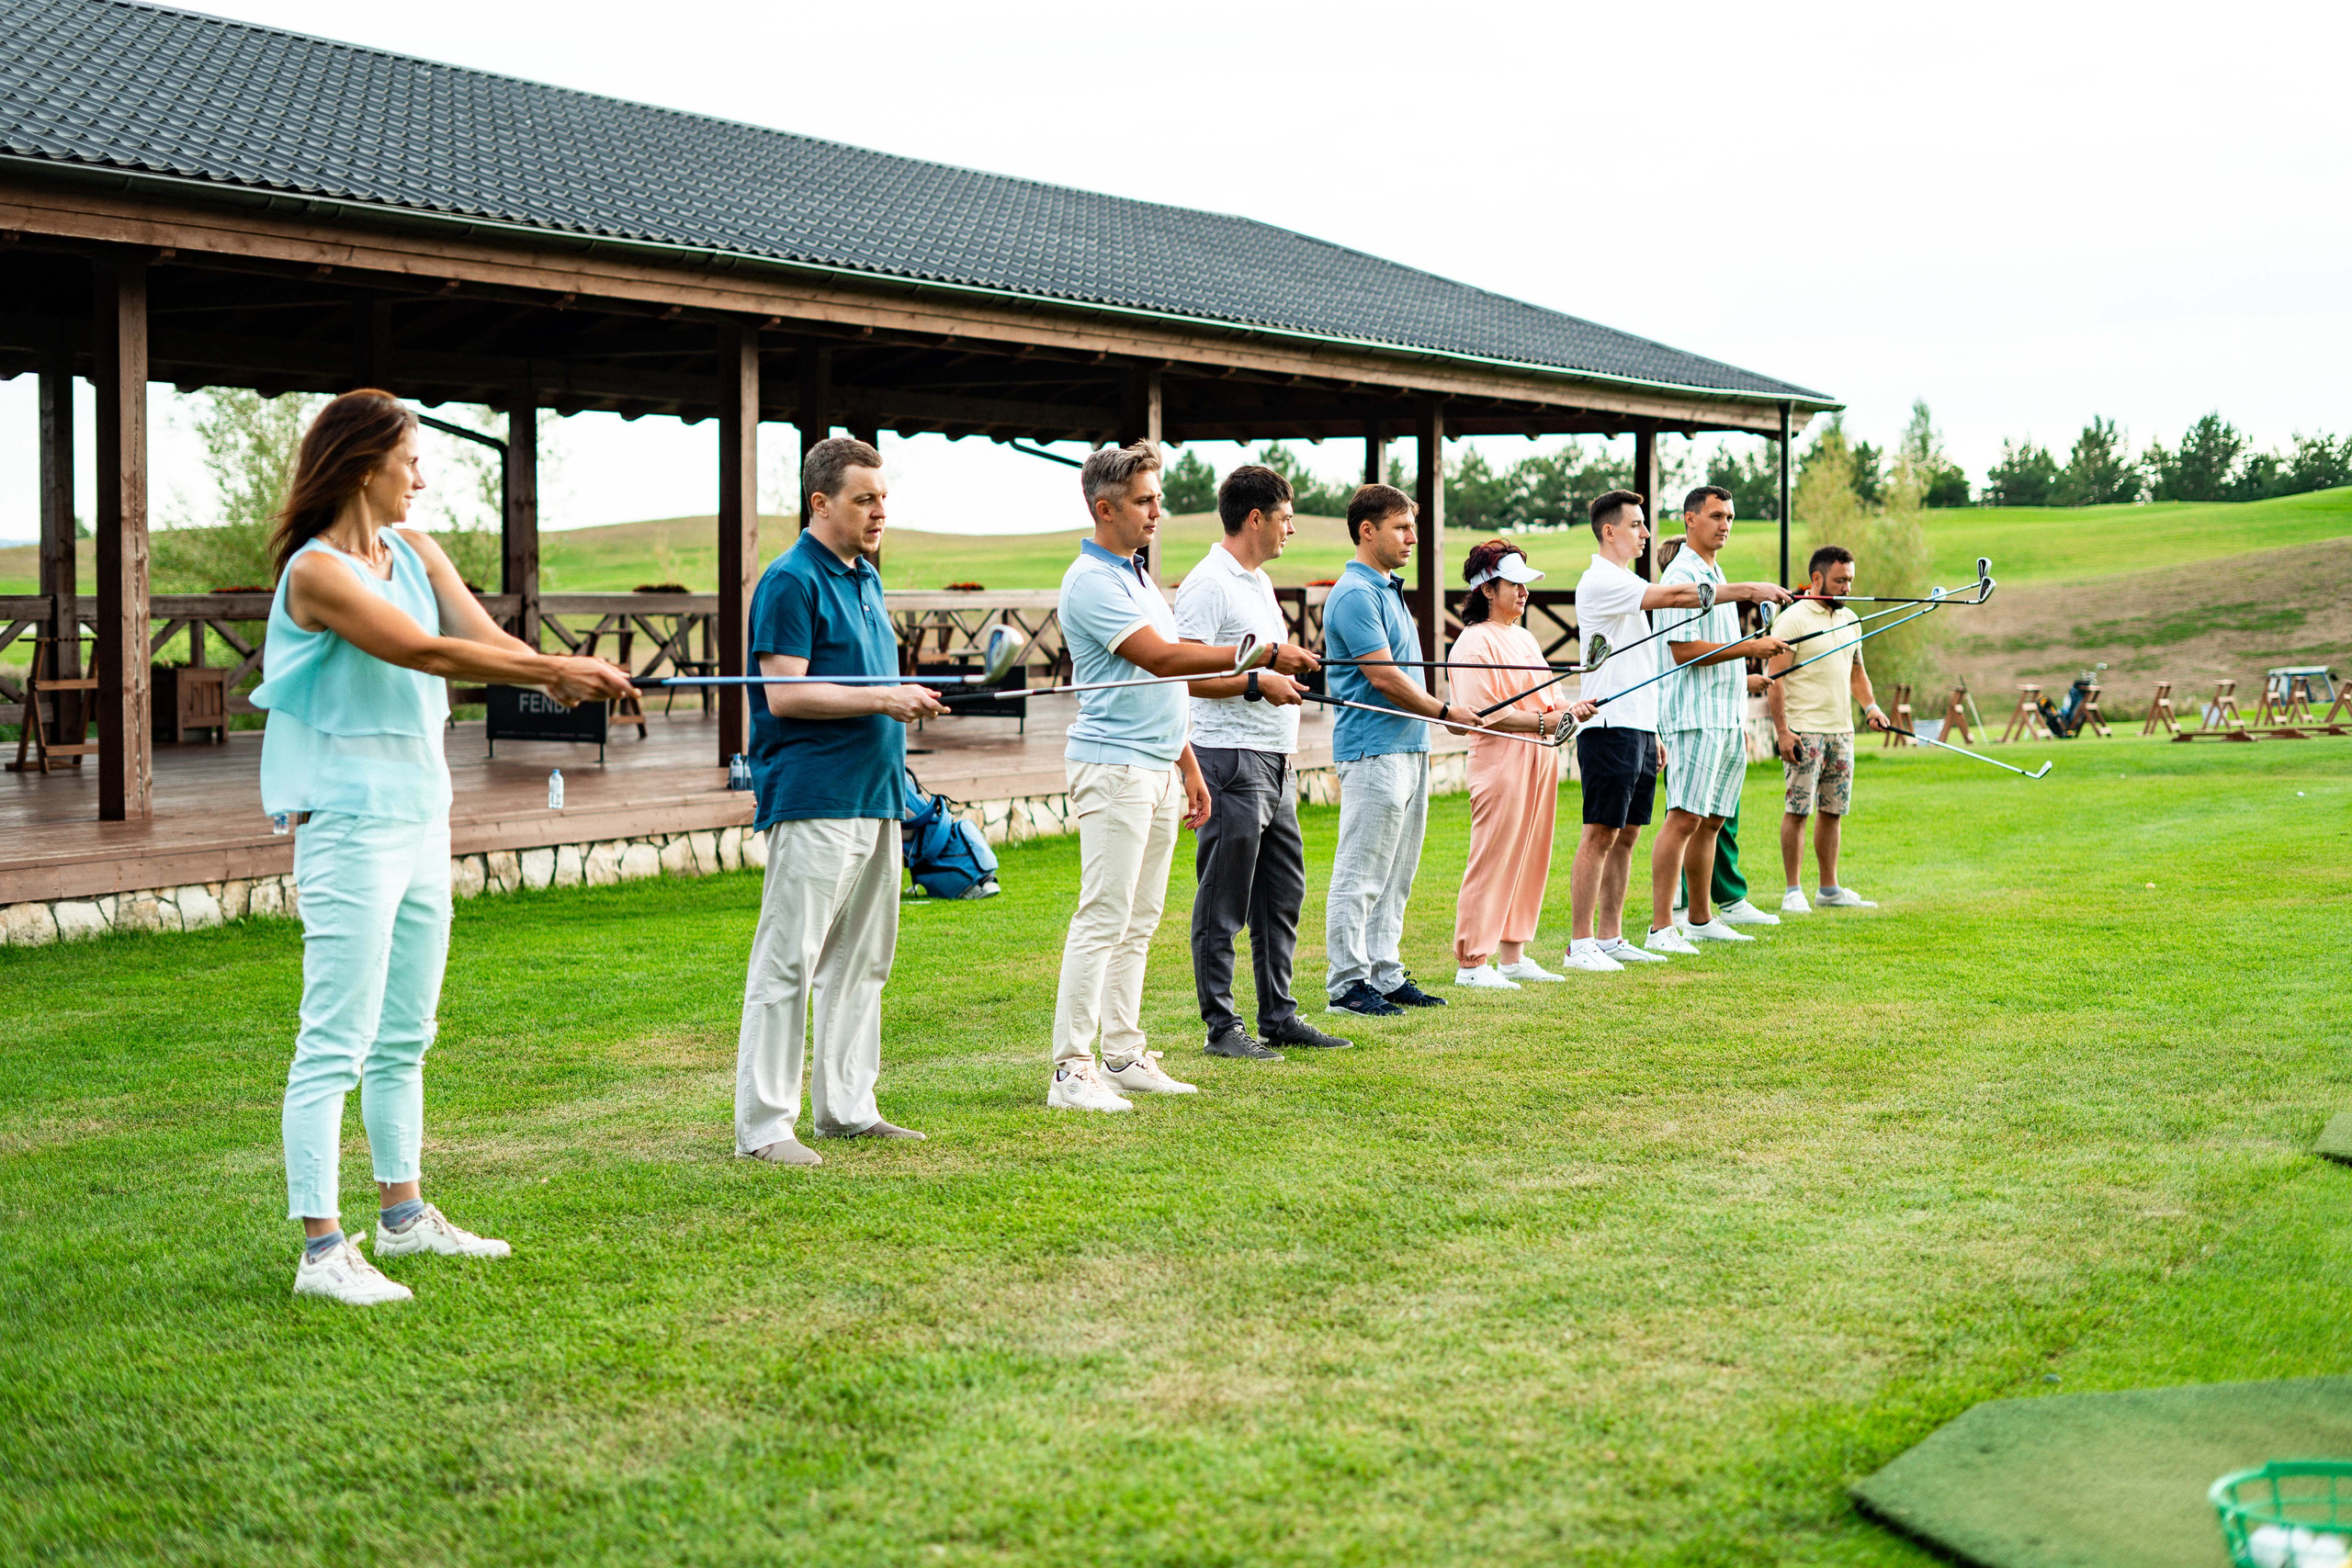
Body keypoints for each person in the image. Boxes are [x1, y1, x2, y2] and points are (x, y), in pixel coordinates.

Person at [254, 389, 635, 1305]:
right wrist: (554, 673)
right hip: (349, 820)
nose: (421, 476)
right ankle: (320, 1252)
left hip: (424, 810)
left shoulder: (416, 551)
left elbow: (481, 639)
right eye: (410, 459)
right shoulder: (316, 574)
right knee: (333, 1039)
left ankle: (403, 1215)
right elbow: (420, 652)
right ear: (360, 461)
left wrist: (552, 670)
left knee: (406, 1032)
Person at [1049, 444, 1319, 1111]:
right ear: (1103, 507)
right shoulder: (1091, 581)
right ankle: (1071, 1069)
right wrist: (1260, 656)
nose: (1157, 512)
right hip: (1113, 766)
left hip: (1156, 764)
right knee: (1102, 917)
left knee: (1139, 921)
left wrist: (1189, 768)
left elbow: (1169, 687)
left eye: (1158, 499)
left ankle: (1121, 1053)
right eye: (1145, 501)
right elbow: (1166, 658)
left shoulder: (1138, 576)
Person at [736, 437, 948, 1168]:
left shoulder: (865, 578)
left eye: (883, 497)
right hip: (815, 798)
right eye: (864, 498)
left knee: (862, 963)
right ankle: (765, 1126)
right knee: (788, 963)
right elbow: (784, 692)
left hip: (878, 797)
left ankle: (847, 1110)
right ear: (820, 502)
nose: (879, 510)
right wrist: (887, 696)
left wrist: (897, 705)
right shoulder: (790, 581)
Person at [1566, 490, 1790, 974]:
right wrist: (1752, 590)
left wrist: (1654, 731)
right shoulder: (1600, 579)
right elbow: (1676, 597)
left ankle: (1609, 937)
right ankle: (1581, 941)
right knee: (1599, 833)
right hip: (1609, 725)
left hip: (1641, 724)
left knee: (1626, 834)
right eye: (1636, 526)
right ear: (1610, 531)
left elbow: (1647, 656)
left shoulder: (1624, 578)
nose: (1646, 534)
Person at [1174, 464, 1354, 1060]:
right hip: (1229, 759)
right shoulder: (1208, 583)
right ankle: (1221, 1027)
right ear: (1256, 518)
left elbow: (1255, 659)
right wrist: (1258, 683)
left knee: (1282, 892)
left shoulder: (1257, 581)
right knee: (1223, 898)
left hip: (1276, 760)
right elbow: (1189, 675)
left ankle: (1278, 1014)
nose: (1292, 530)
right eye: (1286, 518)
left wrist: (1285, 670)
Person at [1321, 483, 1482, 1018]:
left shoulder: (1387, 589)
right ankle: (1347, 984)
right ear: (1367, 531)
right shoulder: (1354, 593)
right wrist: (1443, 711)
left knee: (1397, 874)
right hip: (1372, 751)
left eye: (1412, 526)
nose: (1413, 537)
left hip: (1408, 749)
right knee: (1361, 871)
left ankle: (1384, 974)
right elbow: (1382, 676)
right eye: (1401, 527)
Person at [1643, 488, 1792, 955]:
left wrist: (1742, 675)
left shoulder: (1713, 570)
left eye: (1729, 516)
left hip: (1725, 715)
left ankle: (1703, 919)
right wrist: (1750, 649)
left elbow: (1711, 649)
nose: (1725, 524)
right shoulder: (1682, 573)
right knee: (1683, 817)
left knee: (1711, 820)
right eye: (1715, 516)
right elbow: (1682, 651)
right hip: (1693, 719)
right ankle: (1662, 925)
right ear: (1690, 520)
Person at [1445, 539, 1594, 988]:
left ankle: (1513, 956)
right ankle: (1472, 963)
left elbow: (1549, 699)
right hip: (1500, 760)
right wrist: (1549, 721)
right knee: (1493, 856)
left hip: (1538, 754)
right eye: (1515, 585)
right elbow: (1488, 714)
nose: (1524, 593)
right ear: (1488, 589)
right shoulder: (1473, 643)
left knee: (1532, 852)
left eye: (1526, 585)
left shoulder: (1525, 637)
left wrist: (1571, 709)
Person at [1768, 545, 1893, 912]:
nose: (1847, 588)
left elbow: (1857, 673)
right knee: (1798, 810)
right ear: (1818, 578)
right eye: (1840, 581)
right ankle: (1793, 891)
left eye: (1850, 580)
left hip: (1842, 732)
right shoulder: (1792, 620)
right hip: (1804, 731)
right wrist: (1783, 731)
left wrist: (1870, 707)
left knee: (1833, 810)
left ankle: (1829, 889)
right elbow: (1775, 680)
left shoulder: (1851, 619)